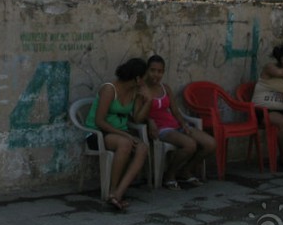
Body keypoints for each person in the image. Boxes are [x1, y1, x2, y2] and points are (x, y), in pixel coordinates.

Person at [135, 55, 215, 189]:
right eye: (153, 70)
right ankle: (170, 175)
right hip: (161, 130)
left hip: (175, 125)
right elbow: (136, 115)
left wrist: (184, 124)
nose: (156, 74)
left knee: (210, 144)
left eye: (160, 71)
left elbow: (175, 111)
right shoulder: (141, 90)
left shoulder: (165, 88)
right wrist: (149, 121)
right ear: (147, 71)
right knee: (190, 145)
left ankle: (186, 170)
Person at [85, 58, 151, 211]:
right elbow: (100, 121)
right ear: (137, 78)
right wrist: (125, 134)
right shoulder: (109, 89)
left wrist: (148, 101)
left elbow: (137, 118)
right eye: (144, 78)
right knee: (125, 144)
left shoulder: (135, 92)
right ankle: (112, 189)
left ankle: (118, 194)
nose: (145, 82)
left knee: (142, 148)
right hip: (98, 133)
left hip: (120, 133)